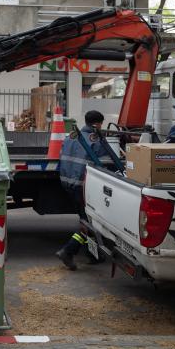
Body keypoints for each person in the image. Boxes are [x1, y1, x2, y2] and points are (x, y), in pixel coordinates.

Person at [55, 110, 110, 271]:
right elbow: (105, 161)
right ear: (97, 124)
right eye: (101, 124)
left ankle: (93, 255)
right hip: (82, 185)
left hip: (68, 183)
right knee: (89, 222)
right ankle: (68, 250)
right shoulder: (95, 139)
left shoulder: (71, 135)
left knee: (85, 218)